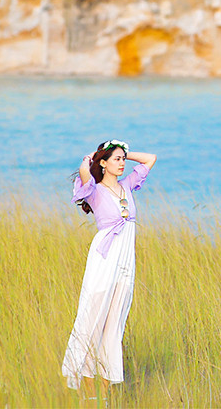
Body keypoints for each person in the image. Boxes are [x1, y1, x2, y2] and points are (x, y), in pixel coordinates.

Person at [61, 139, 157, 398]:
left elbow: (150, 159)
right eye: (116, 159)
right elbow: (84, 173)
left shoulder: (127, 186)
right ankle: (88, 391)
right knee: (94, 317)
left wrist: (123, 150)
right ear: (102, 163)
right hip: (104, 258)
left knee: (115, 322)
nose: (122, 163)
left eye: (123, 159)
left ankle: (103, 396)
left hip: (126, 260)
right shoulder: (93, 189)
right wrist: (92, 156)